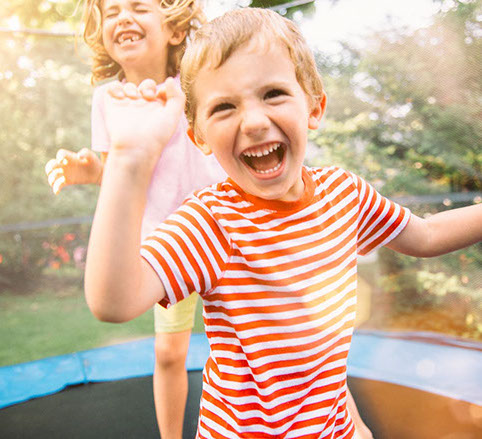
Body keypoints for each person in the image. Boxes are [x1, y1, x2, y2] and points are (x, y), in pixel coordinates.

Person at [83, 7, 482, 438]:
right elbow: (114, 301)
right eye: (224, 107)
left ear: (314, 107)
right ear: (197, 135)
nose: (254, 122)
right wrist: (129, 160)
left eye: (273, 94)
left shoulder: (344, 195)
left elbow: (425, 234)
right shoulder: (211, 223)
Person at [44, 1, 226, 438]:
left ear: (175, 30)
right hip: (168, 244)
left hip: (224, 230)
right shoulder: (107, 99)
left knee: (255, 336)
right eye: (111, 11)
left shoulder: (197, 85)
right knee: (168, 353)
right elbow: (120, 174)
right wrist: (91, 172)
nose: (123, 17)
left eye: (139, 7)